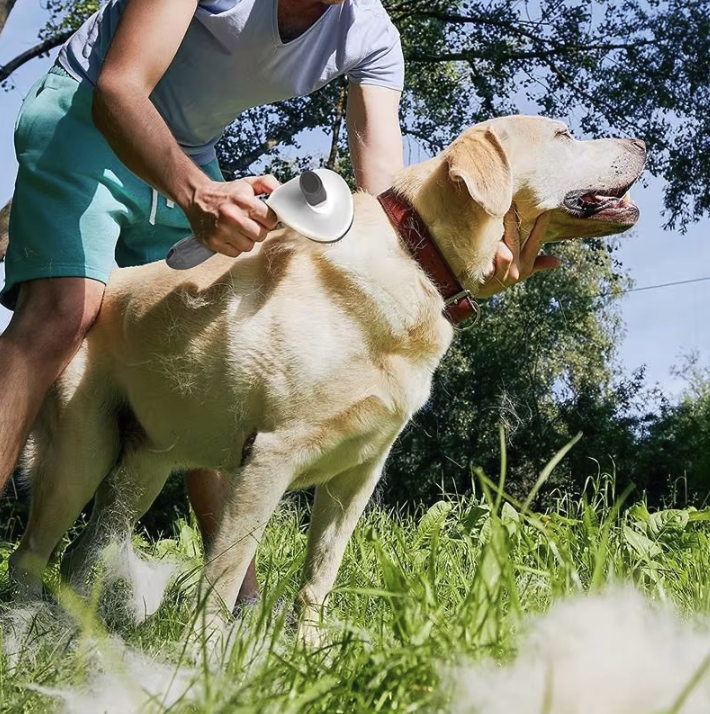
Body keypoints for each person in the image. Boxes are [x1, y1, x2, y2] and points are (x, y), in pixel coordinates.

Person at [0, 0, 557, 601]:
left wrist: (470, 271)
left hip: (189, 148)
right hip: (88, 113)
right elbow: (120, 86)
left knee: (215, 339)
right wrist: (198, 195)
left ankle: (241, 613)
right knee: (65, 314)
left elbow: (391, 214)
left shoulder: (370, 36)